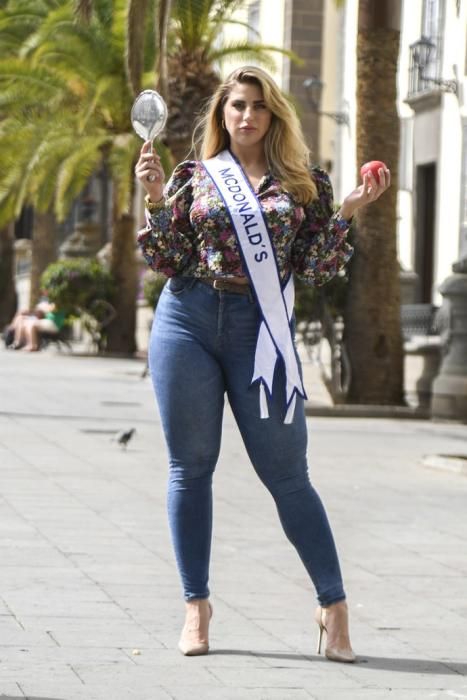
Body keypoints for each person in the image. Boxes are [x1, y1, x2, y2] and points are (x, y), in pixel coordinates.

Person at [135, 65, 390, 661]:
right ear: (221, 116)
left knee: (288, 475)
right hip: (186, 319)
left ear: (273, 115)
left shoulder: (304, 184)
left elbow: (320, 269)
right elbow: (169, 259)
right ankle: (196, 607)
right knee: (190, 468)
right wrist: (153, 200)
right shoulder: (193, 176)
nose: (246, 115)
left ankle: (333, 607)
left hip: (261, 333)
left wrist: (348, 210)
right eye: (236, 106)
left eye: (257, 106)